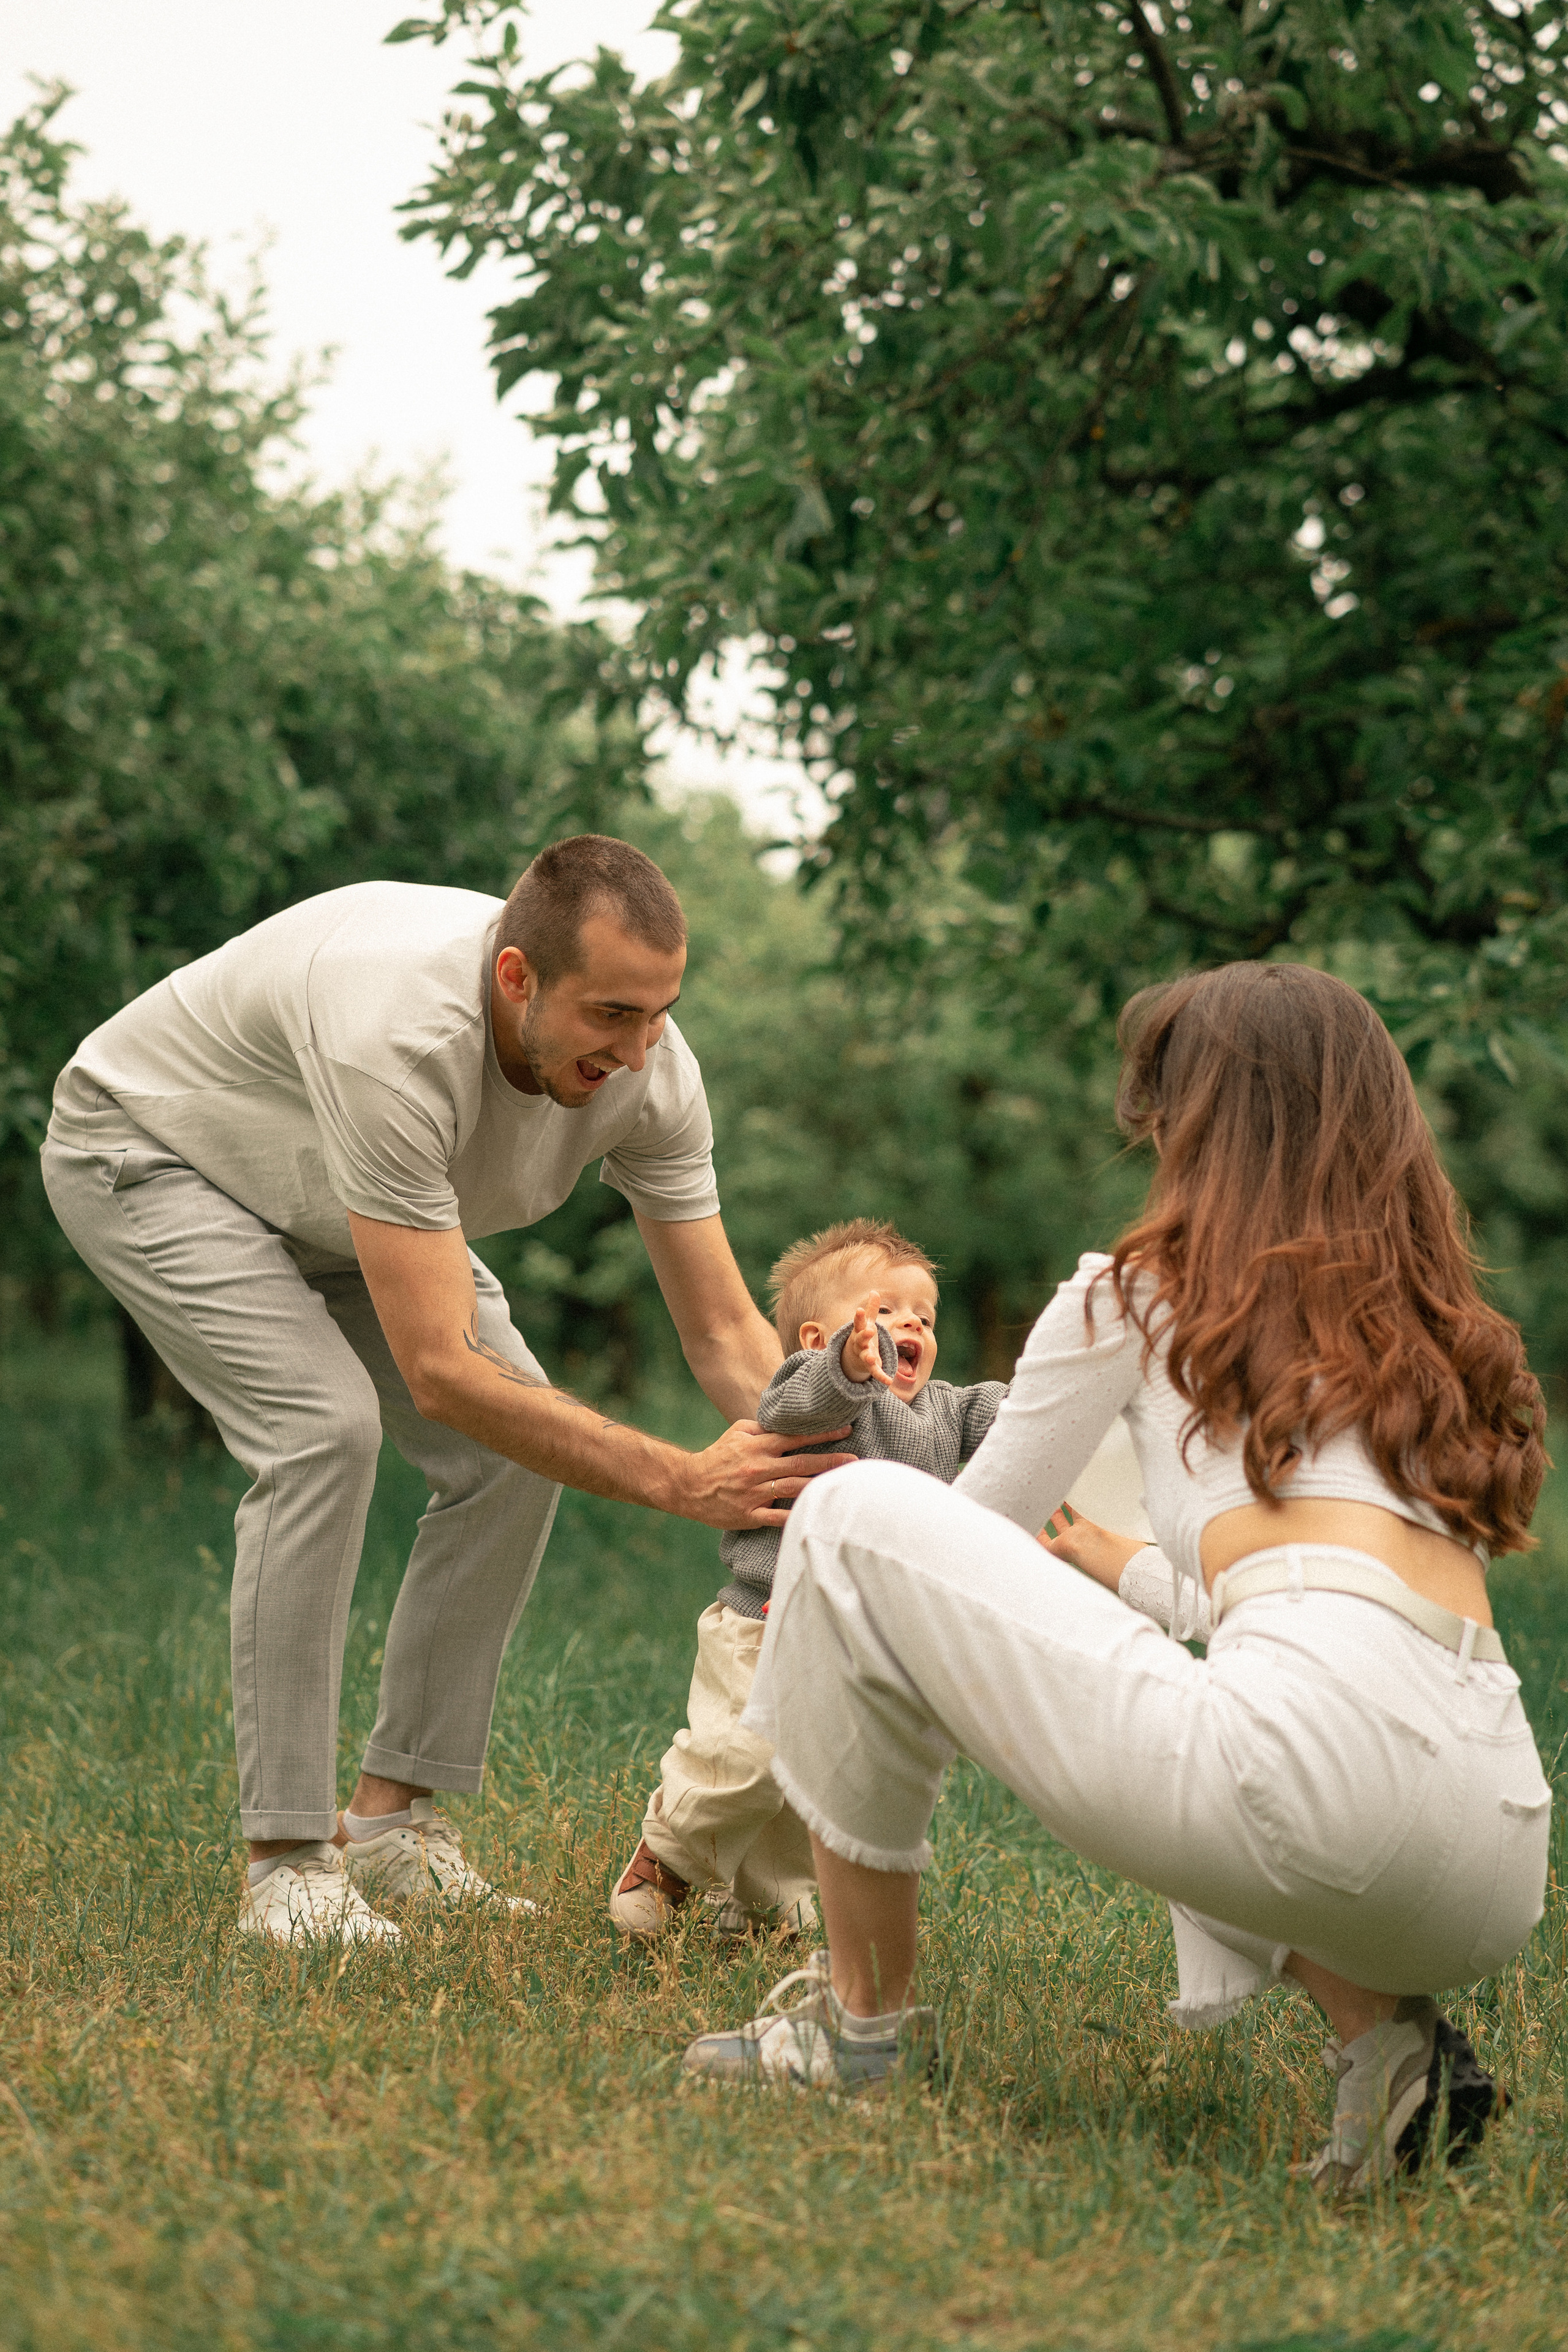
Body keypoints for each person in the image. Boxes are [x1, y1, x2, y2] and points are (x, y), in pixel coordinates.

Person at [681, 963, 1551, 2197]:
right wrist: (1108, 1561)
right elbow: (1277, 1609)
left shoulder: (1132, 1293)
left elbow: (937, 1556)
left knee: (847, 1515)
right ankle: (1388, 2045)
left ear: (1197, 1125)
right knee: (1248, 1706)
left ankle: (855, 2028)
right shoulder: (1415, 1335)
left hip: (1307, 1799)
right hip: (1495, 1858)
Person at [42, 837, 850, 1953]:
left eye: (661, 1012)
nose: (641, 1046)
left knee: (519, 1447)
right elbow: (442, 1373)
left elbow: (722, 1332)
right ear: (516, 978)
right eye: (612, 1014)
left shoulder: (654, 1072)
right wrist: (681, 1478)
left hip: (337, 1197)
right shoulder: (405, 1036)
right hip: (153, 1152)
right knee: (323, 1432)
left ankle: (392, 1825)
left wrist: (842, 1466)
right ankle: (286, 1867)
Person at [609, 1218, 1008, 1942]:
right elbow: (791, 1405)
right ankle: (668, 1852)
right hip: (769, 1620)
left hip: (863, 1641)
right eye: (884, 1312)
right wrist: (849, 1371)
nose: (908, 1326)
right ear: (819, 1342)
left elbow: (1016, 1417)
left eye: (924, 1316)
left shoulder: (947, 1409)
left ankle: (763, 1910)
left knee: (811, 1789)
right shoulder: (815, 1392)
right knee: (748, 1758)